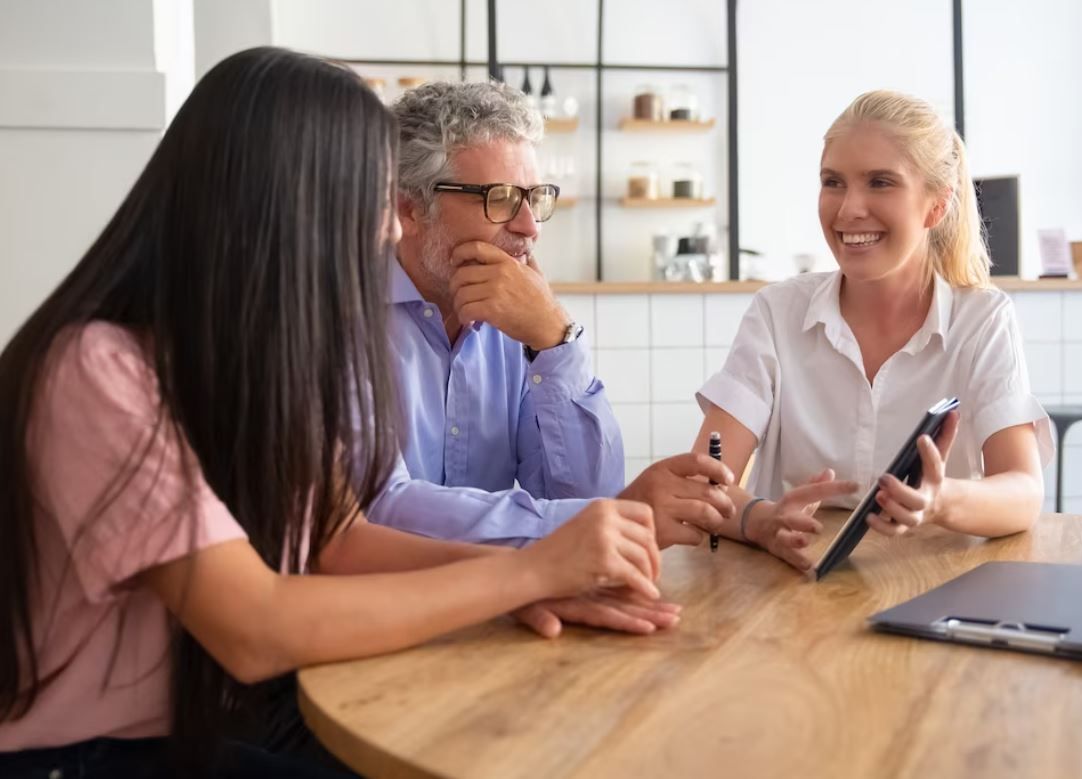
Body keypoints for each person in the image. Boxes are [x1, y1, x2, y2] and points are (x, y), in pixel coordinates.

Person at [0, 48, 678, 778]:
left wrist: (540, 579)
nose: (390, 231)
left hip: (219, 713)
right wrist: (525, 573)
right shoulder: (95, 369)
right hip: (81, 756)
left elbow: (337, 537)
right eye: (375, 200)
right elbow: (252, 627)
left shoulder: (243, 351)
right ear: (285, 203)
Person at [693, 90, 1053, 572]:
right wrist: (760, 519)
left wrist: (941, 499)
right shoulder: (776, 313)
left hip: (928, 585)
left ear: (937, 206)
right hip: (787, 592)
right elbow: (705, 485)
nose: (847, 210)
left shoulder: (982, 320)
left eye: (880, 183)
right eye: (833, 182)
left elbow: (1025, 493)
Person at [368, 80, 733, 549]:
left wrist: (555, 341)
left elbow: (587, 493)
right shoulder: (339, 316)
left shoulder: (520, 321)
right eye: (499, 199)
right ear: (410, 208)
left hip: (508, 601)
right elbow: (380, 511)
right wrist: (602, 521)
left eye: (535, 198)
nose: (530, 227)